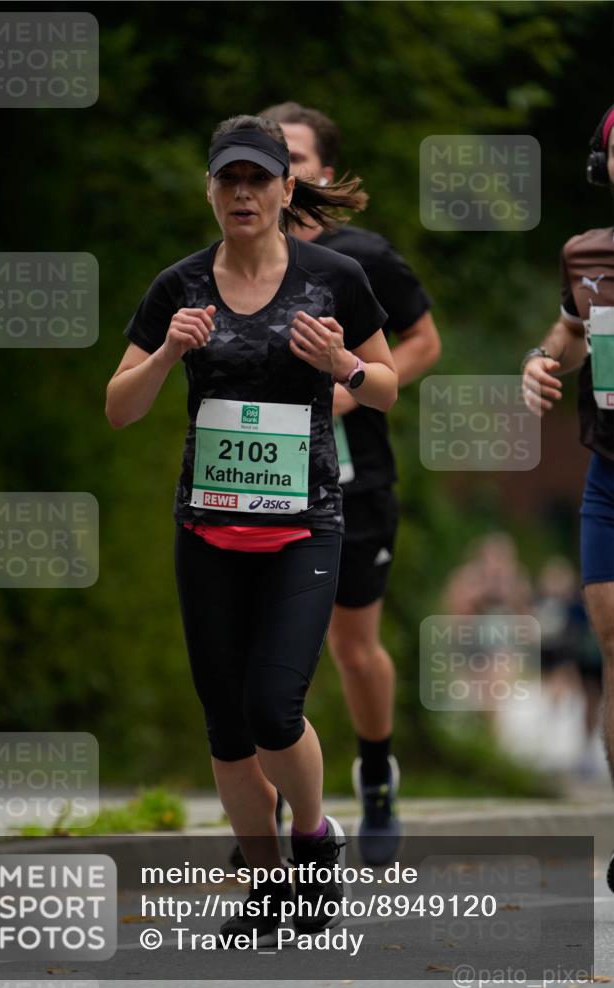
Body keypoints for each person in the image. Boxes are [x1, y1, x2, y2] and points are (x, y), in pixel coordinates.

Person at [106, 114, 398, 943]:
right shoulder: (178, 287)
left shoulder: (333, 277)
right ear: (209, 190)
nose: (242, 193)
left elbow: (383, 388)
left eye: (258, 179)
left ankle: (313, 837)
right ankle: (268, 887)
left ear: (285, 189)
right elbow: (118, 410)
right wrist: (165, 355)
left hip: (304, 526)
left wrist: (341, 363)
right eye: (228, 179)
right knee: (228, 731)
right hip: (206, 532)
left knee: (274, 707)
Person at [259, 101, 441, 864]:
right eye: (270, 156)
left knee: (351, 646)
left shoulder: (361, 257)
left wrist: (355, 382)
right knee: (257, 641)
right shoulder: (238, 254)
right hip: (265, 476)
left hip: (353, 474)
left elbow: (423, 341)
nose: (282, 170)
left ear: (323, 171)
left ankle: (374, 773)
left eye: (295, 157)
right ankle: (265, 812)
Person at [521, 104, 614, 894]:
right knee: (612, 640)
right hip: (609, 472)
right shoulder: (583, 255)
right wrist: (540, 363)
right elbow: (568, 336)